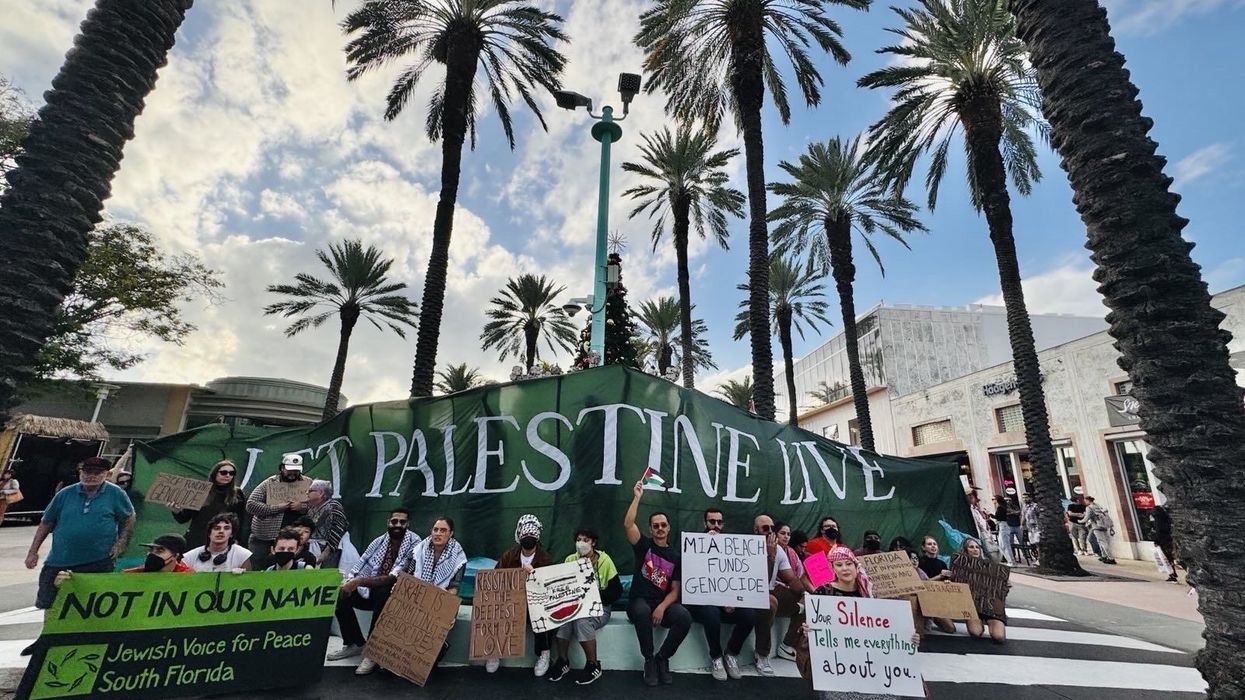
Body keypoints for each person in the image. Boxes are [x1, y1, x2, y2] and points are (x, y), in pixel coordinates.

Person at [23, 457, 134, 655]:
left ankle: (86, 641)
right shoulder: (65, 494)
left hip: (97, 560)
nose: (91, 476)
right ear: (80, 472)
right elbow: (47, 522)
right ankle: (46, 639)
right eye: (87, 472)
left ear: (107, 474)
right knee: (50, 602)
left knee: (92, 604)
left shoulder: (115, 494)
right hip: (60, 559)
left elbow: (129, 517)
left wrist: (121, 542)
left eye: (97, 473)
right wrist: (33, 551)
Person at [796, 546, 920, 700]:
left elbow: (886, 629)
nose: (845, 568)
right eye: (839, 565)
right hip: (835, 662)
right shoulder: (823, 592)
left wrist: (909, 637)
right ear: (833, 569)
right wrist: (807, 630)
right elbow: (812, 624)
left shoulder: (870, 593)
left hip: (868, 661)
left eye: (849, 564)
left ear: (856, 567)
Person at [328, 508, 420, 670]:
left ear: (408, 524)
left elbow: (395, 577)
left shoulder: (415, 543)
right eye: (394, 521)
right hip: (372, 591)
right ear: (388, 523)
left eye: (402, 522)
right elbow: (360, 566)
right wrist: (350, 582)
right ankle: (355, 643)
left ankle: (373, 652)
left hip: (398, 596)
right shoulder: (379, 542)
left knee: (384, 592)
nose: (398, 525)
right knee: (341, 595)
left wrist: (358, 582)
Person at [623, 479, 692, 687]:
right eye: (656, 526)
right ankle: (649, 660)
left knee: (684, 616)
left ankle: (663, 658)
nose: (660, 528)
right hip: (639, 602)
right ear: (651, 529)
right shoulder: (644, 546)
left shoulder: (676, 556)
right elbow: (628, 525)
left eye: (663, 525)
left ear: (668, 528)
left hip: (662, 604)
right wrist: (637, 498)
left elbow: (675, 590)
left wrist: (662, 607)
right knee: (642, 610)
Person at [686, 508, 756, 681]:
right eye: (712, 522)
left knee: (749, 614)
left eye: (719, 522)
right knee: (711, 613)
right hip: (704, 603)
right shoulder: (693, 545)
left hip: (729, 602)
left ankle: (731, 653)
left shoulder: (733, 545)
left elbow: (739, 576)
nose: (716, 525)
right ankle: (716, 657)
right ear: (705, 523)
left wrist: (732, 599)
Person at [548, 527, 620, 685]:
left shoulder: (604, 561)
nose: (581, 543)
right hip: (575, 606)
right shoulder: (570, 560)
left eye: (586, 540)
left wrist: (594, 596)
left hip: (599, 607)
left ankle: (593, 665)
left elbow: (616, 591)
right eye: (578, 540)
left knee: (582, 621)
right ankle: (563, 661)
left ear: (593, 543)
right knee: (563, 620)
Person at [489, 514, 556, 676]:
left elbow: (550, 587)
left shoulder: (544, 559)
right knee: (495, 611)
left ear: (537, 537)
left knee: (542, 615)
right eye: (525, 534)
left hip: (534, 603)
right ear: (519, 536)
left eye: (532, 534)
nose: (528, 538)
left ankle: (544, 653)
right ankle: (494, 651)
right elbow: (496, 577)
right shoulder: (509, 556)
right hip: (511, 601)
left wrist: (534, 574)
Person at [753, 514, 804, 677]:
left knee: (807, 602)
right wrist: (770, 556)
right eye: (765, 528)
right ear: (756, 531)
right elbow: (763, 581)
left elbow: (790, 578)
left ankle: (787, 645)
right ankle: (762, 654)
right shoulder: (748, 547)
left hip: (770, 592)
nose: (770, 532)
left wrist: (804, 593)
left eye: (772, 528)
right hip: (751, 594)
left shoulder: (779, 550)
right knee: (770, 603)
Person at [244, 453, 310, 570]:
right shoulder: (269, 483)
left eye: (296, 470)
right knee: (259, 569)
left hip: (293, 538)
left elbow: (316, 505)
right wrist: (277, 508)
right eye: (289, 470)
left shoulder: (307, 483)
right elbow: (251, 505)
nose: (292, 473)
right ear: (282, 468)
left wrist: (302, 506)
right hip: (264, 537)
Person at [172, 459, 247, 550]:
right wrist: (176, 511)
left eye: (232, 473)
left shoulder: (237, 493)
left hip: (222, 540)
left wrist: (237, 539)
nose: (228, 475)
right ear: (215, 473)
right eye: (223, 472)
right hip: (197, 538)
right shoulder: (201, 491)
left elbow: (241, 519)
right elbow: (183, 518)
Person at [957, 537, 1008, 643]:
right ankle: (978, 623)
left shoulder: (991, 567)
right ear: (965, 550)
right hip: (972, 606)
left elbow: (1000, 591)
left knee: (999, 637)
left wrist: (1005, 586)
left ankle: (991, 622)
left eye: (977, 547)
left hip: (991, 606)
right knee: (976, 633)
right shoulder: (960, 568)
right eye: (971, 547)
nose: (975, 549)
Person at [184, 513, 252, 572]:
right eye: (217, 528)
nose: (221, 531)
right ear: (209, 533)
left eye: (226, 528)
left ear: (231, 534)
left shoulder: (243, 555)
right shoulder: (190, 557)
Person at [306, 479, 348, 568]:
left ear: (321, 493)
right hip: (314, 549)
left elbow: (338, 530)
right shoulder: (312, 508)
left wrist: (326, 552)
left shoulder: (333, 506)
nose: (307, 493)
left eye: (310, 491)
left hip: (330, 551)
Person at [123, 534, 194, 573]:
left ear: (175, 556)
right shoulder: (132, 575)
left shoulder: (188, 577)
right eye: (151, 550)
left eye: (159, 551)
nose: (151, 554)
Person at [1085, 496, 1117, 564]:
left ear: (1088, 500)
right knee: (1101, 541)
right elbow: (1105, 512)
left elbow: (1086, 518)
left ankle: (1111, 558)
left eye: (1085, 500)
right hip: (1104, 525)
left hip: (1096, 526)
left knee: (1102, 542)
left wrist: (1080, 521)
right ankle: (1104, 556)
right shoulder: (1099, 506)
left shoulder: (1089, 507)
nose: (1085, 502)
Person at [1152, 505, 1179, 583]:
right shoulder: (1167, 519)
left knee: (1165, 558)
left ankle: (1172, 574)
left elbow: (1159, 532)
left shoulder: (1158, 521)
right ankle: (1173, 573)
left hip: (1162, 542)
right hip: (1169, 540)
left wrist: (1156, 541)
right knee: (1170, 557)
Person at [991, 495, 1017, 566]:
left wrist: (991, 515)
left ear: (997, 500)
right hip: (1002, 526)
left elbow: (999, 517)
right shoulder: (1001, 507)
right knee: (1002, 545)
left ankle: (1012, 561)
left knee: (1005, 544)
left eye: (993, 499)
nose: (993, 501)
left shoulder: (1000, 508)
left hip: (1003, 526)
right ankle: (1009, 560)